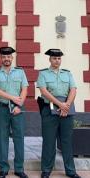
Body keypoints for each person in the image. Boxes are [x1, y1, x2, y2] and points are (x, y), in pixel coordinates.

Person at [36, 49, 81, 178]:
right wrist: (60, 104)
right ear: (49, 59)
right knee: (49, 141)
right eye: (54, 58)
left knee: (67, 141)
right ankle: (46, 170)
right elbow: (44, 92)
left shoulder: (68, 74)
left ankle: (71, 171)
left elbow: (73, 89)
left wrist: (66, 105)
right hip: (49, 111)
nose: (57, 60)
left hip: (66, 111)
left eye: (59, 58)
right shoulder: (43, 74)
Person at [0, 47, 29, 178]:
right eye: (4, 57)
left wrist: (19, 104)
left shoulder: (20, 72)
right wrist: (12, 98)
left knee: (19, 138)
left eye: (8, 57)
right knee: (2, 139)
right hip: (2, 109)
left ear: (12, 58)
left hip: (17, 110)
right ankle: (3, 168)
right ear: (1, 58)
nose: (6, 59)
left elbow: (24, 89)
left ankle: (19, 168)